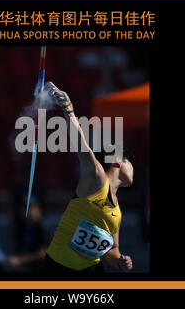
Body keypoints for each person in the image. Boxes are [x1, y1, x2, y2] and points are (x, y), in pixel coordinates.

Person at [44, 81, 134, 274]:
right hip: (59, 267)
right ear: (118, 161)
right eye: (130, 161)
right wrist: (68, 109)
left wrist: (120, 260)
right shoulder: (96, 180)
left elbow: (112, 250)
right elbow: (82, 145)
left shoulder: (117, 211)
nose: (133, 167)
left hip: (90, 271)